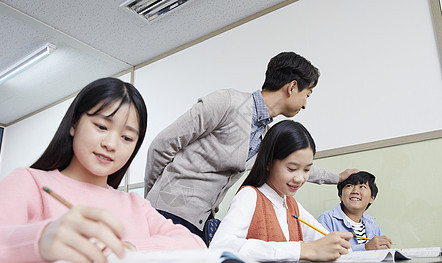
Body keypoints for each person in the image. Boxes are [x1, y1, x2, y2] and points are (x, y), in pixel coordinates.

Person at [144, 51, 358, 242]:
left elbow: (294, 165)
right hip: (167, 213)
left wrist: (337, 178)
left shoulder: (266, 135)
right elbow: (161, 146)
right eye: (307, 95)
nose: (305, 104)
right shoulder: (226, 102)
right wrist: (152, 201)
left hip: (201, 222)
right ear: (292, 87)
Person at [0, 78, 205, 263]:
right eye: (102, 127)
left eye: (127, 138)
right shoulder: (30, 182)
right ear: (74, 124)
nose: (111, 144)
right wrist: (38, 240)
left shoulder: (136, 204)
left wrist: (127, 249)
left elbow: (194, 245)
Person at [209, 120, 352, 261]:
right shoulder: (249, 195)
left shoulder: (292, 206)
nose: (300, 178)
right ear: (269, 163)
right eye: (291, 169)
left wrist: (338, 245)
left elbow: (324, 240)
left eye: (307, 170)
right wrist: (302, 249)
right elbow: (221, 246)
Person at [317, 171, 392, 251]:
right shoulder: (327, 219)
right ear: (340, 196)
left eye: (362, 187)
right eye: (349, 186)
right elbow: (321, 251)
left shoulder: (372, 224)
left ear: (371, 198)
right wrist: (365, 248)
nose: (355, 191)